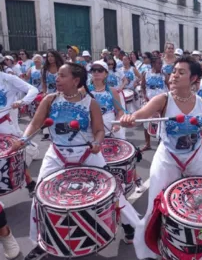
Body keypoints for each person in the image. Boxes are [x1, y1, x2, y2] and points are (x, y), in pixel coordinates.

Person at [11, 62, 138, 260]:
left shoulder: (90, 102)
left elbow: (99, 130)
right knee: (40, 197)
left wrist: (97, 142)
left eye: (62, 76)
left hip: (87, 153)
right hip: (57, 154)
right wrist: (23, 139)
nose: (56, 79)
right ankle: (40, 241)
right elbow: (35, 124)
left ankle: (130, 225)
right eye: (57, 76)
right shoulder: (49, 100)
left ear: (75, 80)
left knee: (113, 192)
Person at [119, 57, 202, 260]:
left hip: (195, 155)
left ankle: (201, 239)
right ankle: (148, 251)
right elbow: (141, 114)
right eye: (174, 71)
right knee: (154, 206)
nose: (174, 75)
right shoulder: (163, 99)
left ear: (193, 78)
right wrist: (129, 119)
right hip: (168, 156)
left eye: (181, 72)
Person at [0, 64, 39, 197]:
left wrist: (22, 101)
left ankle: (29, 183)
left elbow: (33, 89)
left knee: (14, 156)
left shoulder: (8, 79)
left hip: (4, 125)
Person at [88, 60, 125, 139]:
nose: (96, 72)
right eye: (93, 70)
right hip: (90, 130)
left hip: (109, 128)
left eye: (100, 70)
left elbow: (120, 111)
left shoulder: (112, 91)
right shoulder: (85, 91)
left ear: (106, 74)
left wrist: (117, 124)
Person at [140, 56, 167, 151]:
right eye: (159, 63)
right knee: (146, 123)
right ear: (153, 64)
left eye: (161, 63)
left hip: (162, 103)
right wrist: (145, 96)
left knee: (161, 123)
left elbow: (170, 87)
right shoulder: (146, 74)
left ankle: (161, 142)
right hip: (149, 102)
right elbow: (143, 87)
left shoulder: (164, 75)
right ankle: (147, 143)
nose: (161, 65)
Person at [40, 50, 65, 140]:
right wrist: (44, 92)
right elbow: (43, 82)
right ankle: (47, 132)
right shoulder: (45, 69)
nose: (50, 58)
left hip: (61, 93)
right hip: (49, 94)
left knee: (59, 112)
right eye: (48, 56)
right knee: (48, 113)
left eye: (52, 56)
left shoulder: (61, 68)